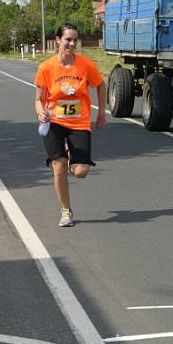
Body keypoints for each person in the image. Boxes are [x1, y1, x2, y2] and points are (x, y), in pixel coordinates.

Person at [34, 23, 107, 227]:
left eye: (75, 39)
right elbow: (38, 99)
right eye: (68, 39)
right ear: (58, 40)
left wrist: (101, 112)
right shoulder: (46, 68)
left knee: (80, 172)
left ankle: (69, 153)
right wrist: (40, 112)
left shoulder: (86, 65)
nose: (72, 43)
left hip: (79, 123)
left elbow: (101, 85)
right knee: (59, 167)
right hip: (54, 122)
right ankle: (66, 211)